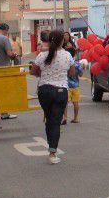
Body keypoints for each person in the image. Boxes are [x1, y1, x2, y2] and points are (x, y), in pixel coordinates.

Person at [30, 30, 75, 164]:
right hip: (61, 90)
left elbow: (33, 71)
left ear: (49, 40)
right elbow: (72, 73)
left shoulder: (42, 55)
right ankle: (53, 152)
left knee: (49, 118)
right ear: (62, 41)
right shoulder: (67, 55)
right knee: (55, 121)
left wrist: (42, 74)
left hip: (44, 90)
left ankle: (50, 143)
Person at [63, 49, 82, 124]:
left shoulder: (65, 63)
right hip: (76, 85)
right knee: (76, 102)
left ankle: (65, 117)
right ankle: (76, 118)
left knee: (65, 103)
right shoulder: (77, 64)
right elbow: (81, 74)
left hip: (67, 85)